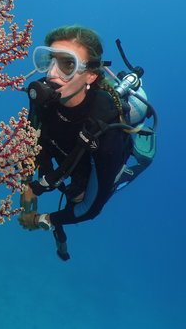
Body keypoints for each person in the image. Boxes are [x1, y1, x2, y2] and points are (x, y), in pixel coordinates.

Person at [18, 25, 133, 260]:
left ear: (91, 74)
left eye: (67, 64)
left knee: (79, 198)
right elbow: (32, 139)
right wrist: (28, 184)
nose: (51, 74)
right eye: (49, 60)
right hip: (60, 158)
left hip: (93, 165)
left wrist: (45, 219)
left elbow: (90, 210)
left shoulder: (106, 130)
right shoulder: (43, 95)